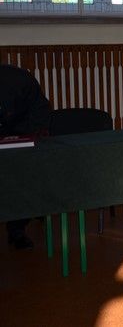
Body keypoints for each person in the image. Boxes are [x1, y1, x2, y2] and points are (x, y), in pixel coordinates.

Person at [1, 64, 51, 249]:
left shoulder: (19, 79)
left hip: (23, 135)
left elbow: (41, 111)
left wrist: (30, 139)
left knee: (24, 178)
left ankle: (17, 230)